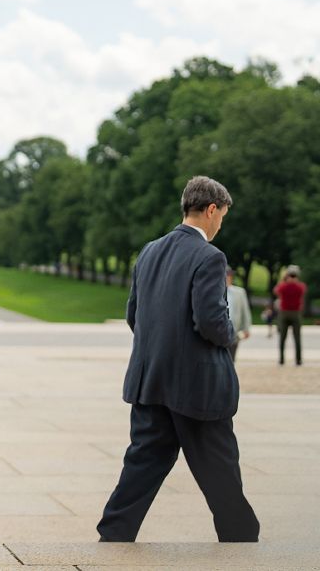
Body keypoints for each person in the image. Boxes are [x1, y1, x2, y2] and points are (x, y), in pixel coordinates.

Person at [97, 176, 259, 543]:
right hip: (197, 387)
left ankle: (114, 533)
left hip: (150, 381)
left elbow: (133, 315)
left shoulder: (150, 251)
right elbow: (211, 321)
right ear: (212, 209)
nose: (220, 225)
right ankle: (242, 539)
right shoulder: (210, 256)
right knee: (220, 471)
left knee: (142, 465)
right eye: (222, 217)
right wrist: (230, 335)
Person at [273, 265, 307, 366]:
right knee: (297, 338)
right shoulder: (301, 286)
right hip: (296, 313)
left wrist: (284, 279)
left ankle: (281, 359)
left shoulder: (283, 286)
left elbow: (276, 290)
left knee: (282, 338)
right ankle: (298, 359)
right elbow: (303, 291)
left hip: (284, 312)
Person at [225, 267, 252, 361]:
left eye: (228, 275)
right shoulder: (214, 291)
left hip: (234, 329)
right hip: (219, 329)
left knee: (231, 358)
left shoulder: (239, 292)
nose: (227, 277)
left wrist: (246, 328)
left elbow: (245, 310)